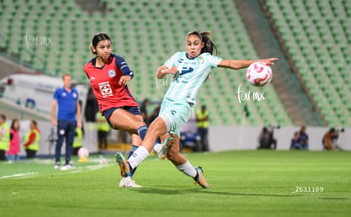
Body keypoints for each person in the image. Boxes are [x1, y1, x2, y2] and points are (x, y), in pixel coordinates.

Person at [116, 30, 278, 188]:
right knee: (173, 154)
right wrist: (167, 71)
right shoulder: (178, 56)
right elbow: (159, 73)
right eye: (189, 44)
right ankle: (197, 174)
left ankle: (130, 165)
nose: (192, 47)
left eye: (195, 44)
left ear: (201, 45)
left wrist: (256, 62)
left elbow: (231, 64)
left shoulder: (206, 59)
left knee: (153, 128)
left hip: (182, 105)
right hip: (167, 105)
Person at [83, 33, 171, 188]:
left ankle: (127, 178)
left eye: (108, 46)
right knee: (139, 126)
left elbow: (128, 71)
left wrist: (128, 76)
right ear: (94, 49)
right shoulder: (88, 68)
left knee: (137, 139)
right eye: (102, 47)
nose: (106, 50)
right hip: (110, 108)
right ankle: (157, 146)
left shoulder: (117, 59)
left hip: (129, 103)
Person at [51, 74, 82, 170]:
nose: (68, 82)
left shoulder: (74, 92)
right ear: (63, 81)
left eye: (69, 80)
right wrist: (53, 118)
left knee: (70, 142)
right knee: (60, 141)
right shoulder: (59, 91)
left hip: (72, 120)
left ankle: (68, 161)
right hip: (62, 120)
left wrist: (79, 120)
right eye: (66, 80)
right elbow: (53, 105)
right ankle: (57, 161)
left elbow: (77, 106)